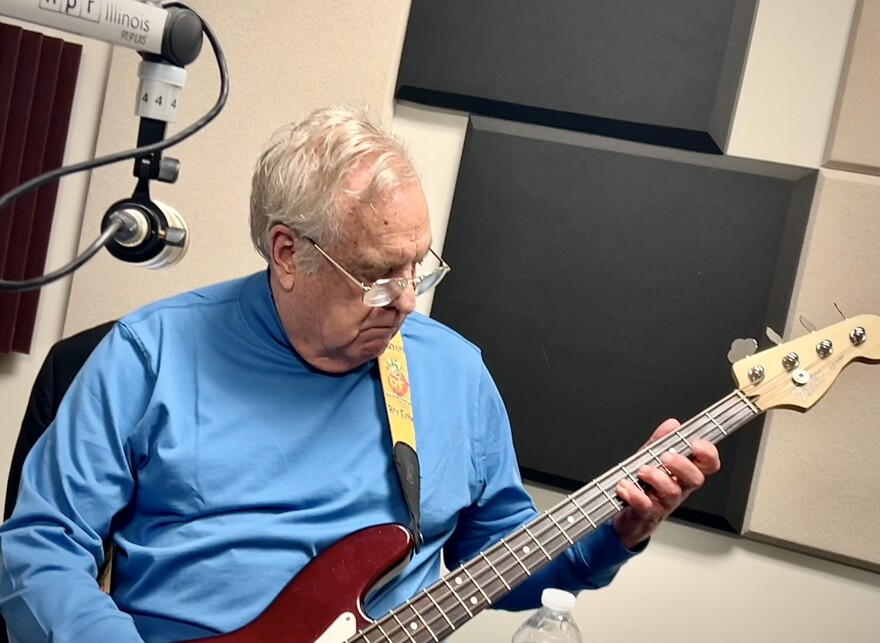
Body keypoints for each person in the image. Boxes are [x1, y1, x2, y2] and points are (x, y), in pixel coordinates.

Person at [0, 106, 721, 642]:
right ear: (287, 252)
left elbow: (503, 557)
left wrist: (616, 533)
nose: (408, 299)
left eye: (418, 266)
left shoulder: (454, 375)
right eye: (378, 275)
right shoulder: (147, 356)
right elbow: (38, 552)